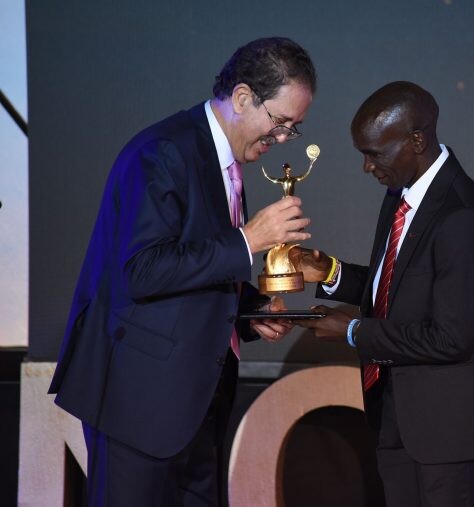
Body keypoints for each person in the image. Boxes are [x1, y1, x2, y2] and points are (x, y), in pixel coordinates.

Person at [48, 37, 315, 506]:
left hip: (199, 403)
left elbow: (191, 268)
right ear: (242, 97)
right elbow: (141, 270)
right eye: (279, 123)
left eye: (293, 129)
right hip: (141, 404)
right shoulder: (164, 152)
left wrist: (250, 312)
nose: (280, 139)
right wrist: (248, 240)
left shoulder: (224, 159)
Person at [295, 81, 474, 506]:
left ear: (416, 141)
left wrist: (354, 331)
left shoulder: (461, 215)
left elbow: (450, 338)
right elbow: (395, 287)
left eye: (374, 153)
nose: (366, 167)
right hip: (396, 417)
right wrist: (331, 273)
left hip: (446, 435)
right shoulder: (401, 194)